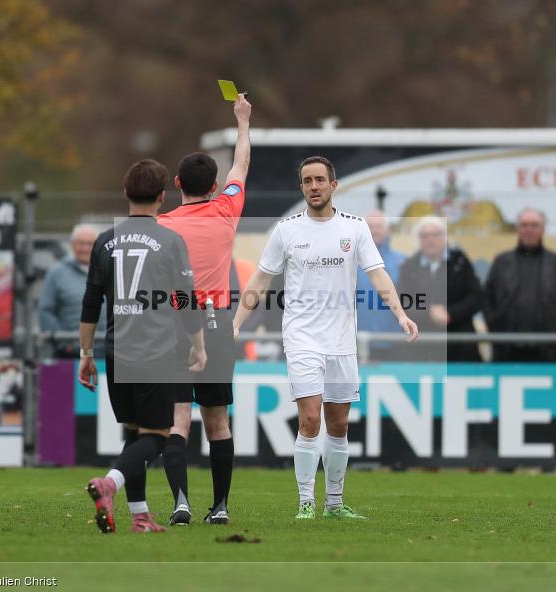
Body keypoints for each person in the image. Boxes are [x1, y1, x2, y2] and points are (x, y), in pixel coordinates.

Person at [233, 156, 418, 520]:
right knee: (310, 419)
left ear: (334, 186)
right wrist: (238, 322)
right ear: (301, 187)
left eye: (319, 180)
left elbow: (377, 274)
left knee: (338, 424)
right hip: (301, 337)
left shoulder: (355, 228)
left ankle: (334, 503)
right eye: (306, 181)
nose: (313, 186)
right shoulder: (286, 230)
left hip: (341, 341)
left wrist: (400, 312)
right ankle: (306, 502)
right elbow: (260, 280)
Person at [79, 159, 206, 533]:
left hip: (117, 353)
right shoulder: (169, 240)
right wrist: (198, 344)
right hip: (156, 351)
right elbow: (185, 298)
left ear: (125, 193)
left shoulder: (105, 240)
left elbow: (91, 303)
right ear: (162, 197)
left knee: (135, 432)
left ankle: (140, 517)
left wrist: (85, 354)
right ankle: (109, 484)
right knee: (157, 437)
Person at [156, 93, 251, 526]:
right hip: (216, 325)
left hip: (175, 326)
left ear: (177, 184)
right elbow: (241, 166)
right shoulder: (227, 210)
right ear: (214, 187)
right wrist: (242, 122)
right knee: (218, 420)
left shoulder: (162, 226)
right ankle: (222, 506)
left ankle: (180, 502)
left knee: (178, 419)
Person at [483, 207, 556, 362]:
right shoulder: (501, 262)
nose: (529, 229)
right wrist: (495, 324)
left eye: (534, 225)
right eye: (524, 225)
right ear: (517, 229)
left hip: (547, 351)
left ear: (543, 229)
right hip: (506, 350)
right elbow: (486, 298)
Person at [397, 216, 483, 362]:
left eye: (435, 234)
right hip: (421, 348)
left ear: (444, 237)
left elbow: (476, 297)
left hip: (460, 346)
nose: (430, 239)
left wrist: (451, 314)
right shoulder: (409, 267)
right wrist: (428, 312)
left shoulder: (460, 263)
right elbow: (402, 302)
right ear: (419, 239)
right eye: (425, 235)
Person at [39, 223, 105, 357]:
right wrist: (64, 343)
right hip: (70, 355)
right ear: (72, 245)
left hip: (107, 353)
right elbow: (46, 311)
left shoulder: (111, 271)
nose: (85, 248)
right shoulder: (57, 273)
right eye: (81, 243)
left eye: (90, 243)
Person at [355, 211, 407, 360]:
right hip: (356, 341)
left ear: (387, 230)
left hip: (393, 342)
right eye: (370, 226)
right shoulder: (352, 261)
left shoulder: (402, 261)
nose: (374, 230)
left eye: (379, 226)